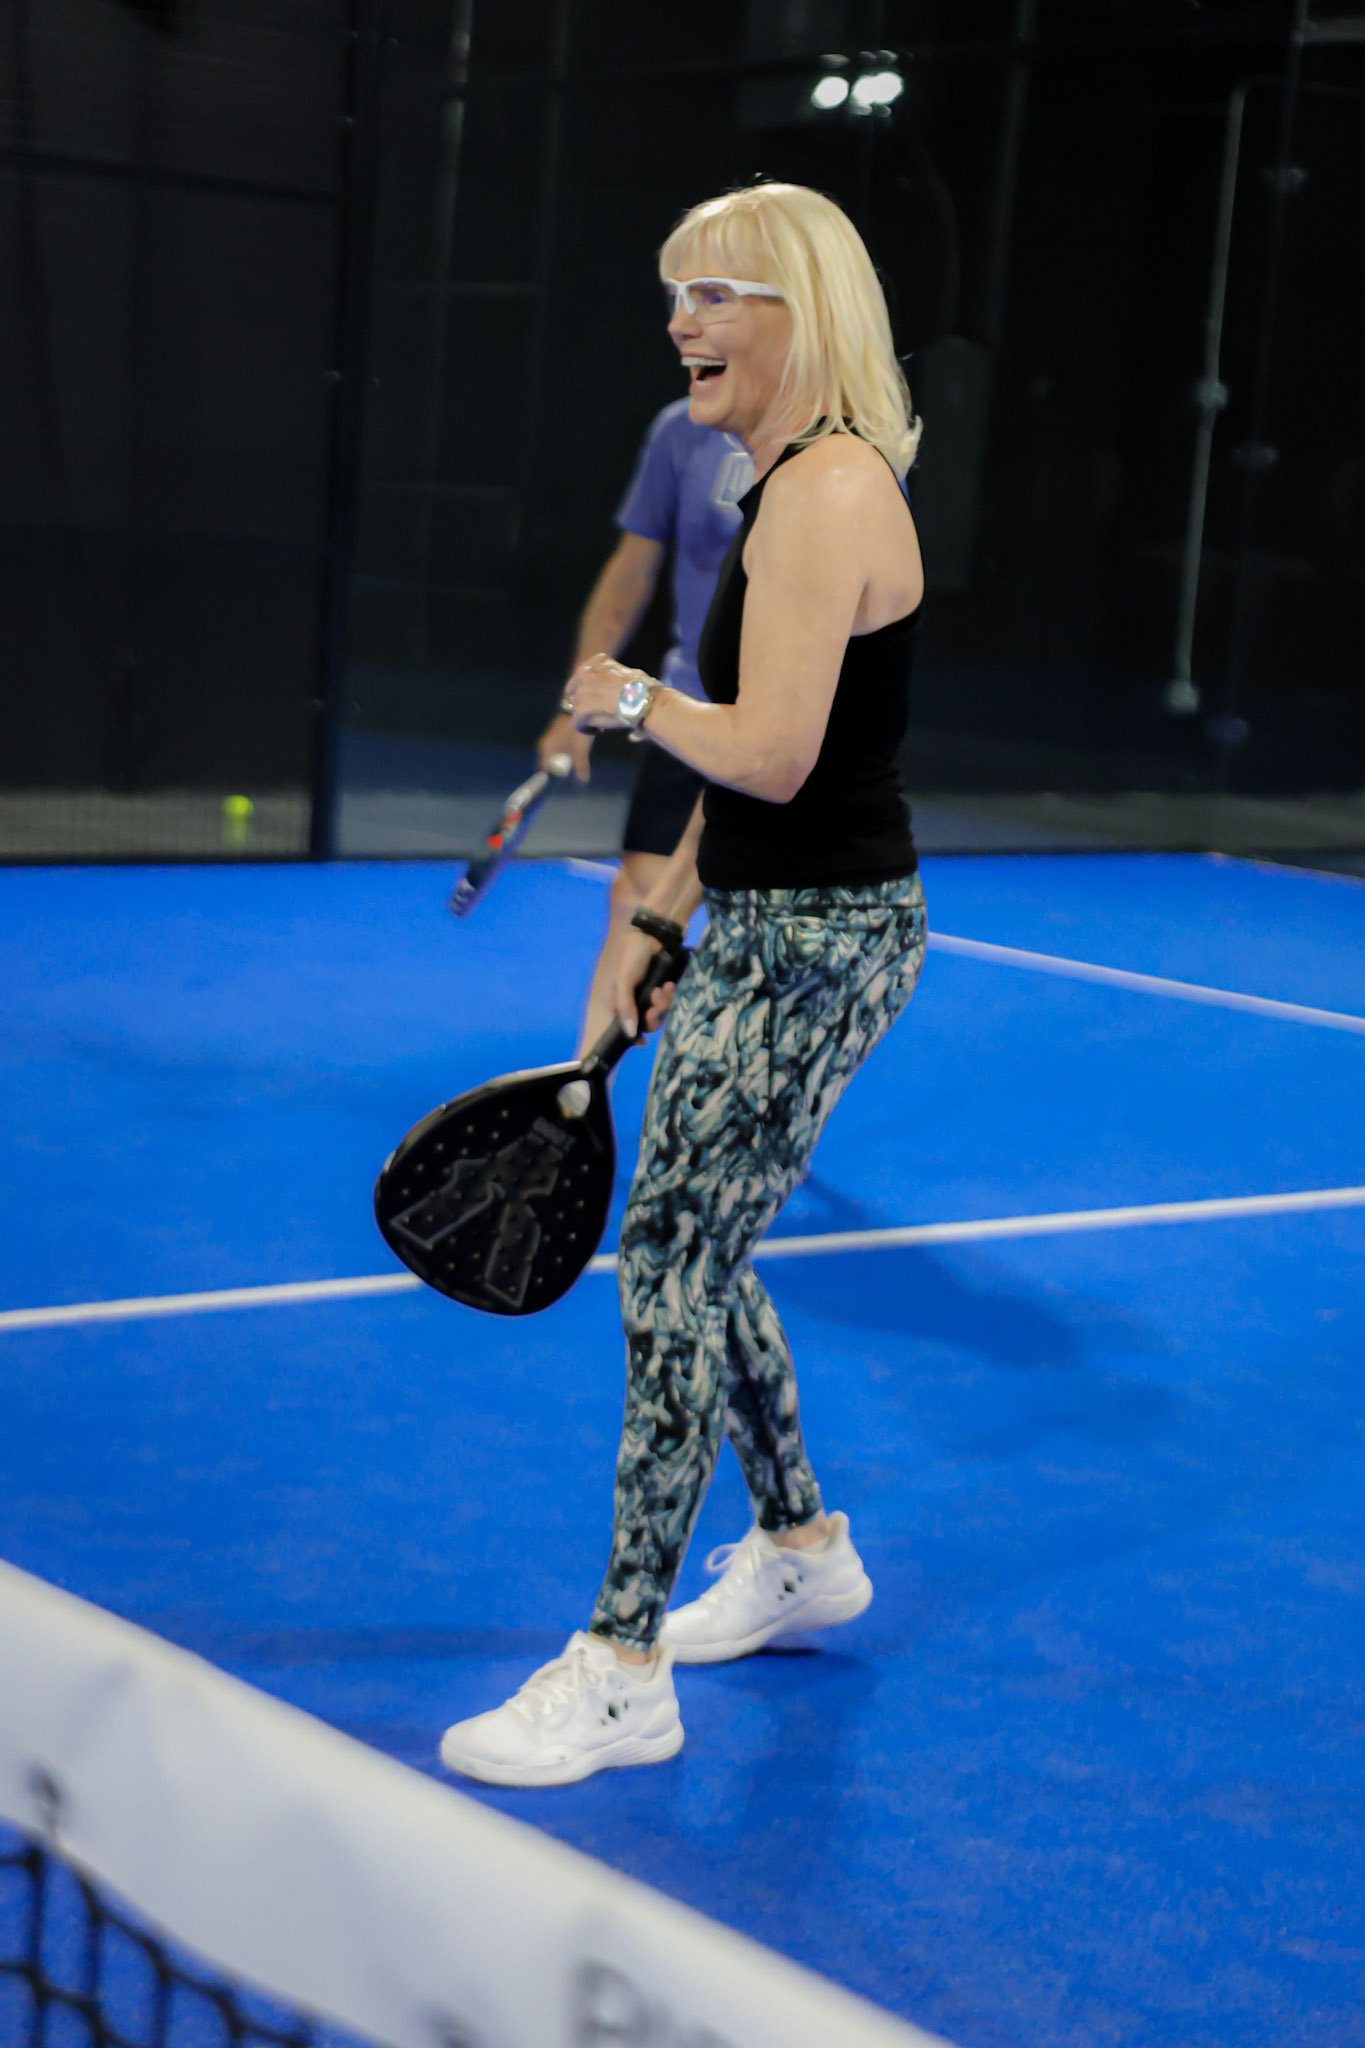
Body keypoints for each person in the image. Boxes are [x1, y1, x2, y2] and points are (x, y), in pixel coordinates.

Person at [440, 181, 927, 1788]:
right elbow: (756, 778)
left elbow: (770, 753)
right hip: (770, 924)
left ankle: (621, 1667)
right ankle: (798, 1552)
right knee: (699, 1249)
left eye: (716, 292)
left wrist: (635, 697)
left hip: (819, 946)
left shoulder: (828, 489)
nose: (681, 320)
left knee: (666, 1259)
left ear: (802, 309)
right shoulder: (785, 477)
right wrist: (661, 921)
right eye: (676, 293)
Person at [535, 404, 752, 1052]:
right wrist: (577, 704)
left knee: (754, 923)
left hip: (785, 731)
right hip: (684, 713)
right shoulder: (680, 430)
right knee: (638, 898)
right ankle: (580, 1092)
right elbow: (631, 571)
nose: (688, 350)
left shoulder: (841, 453)